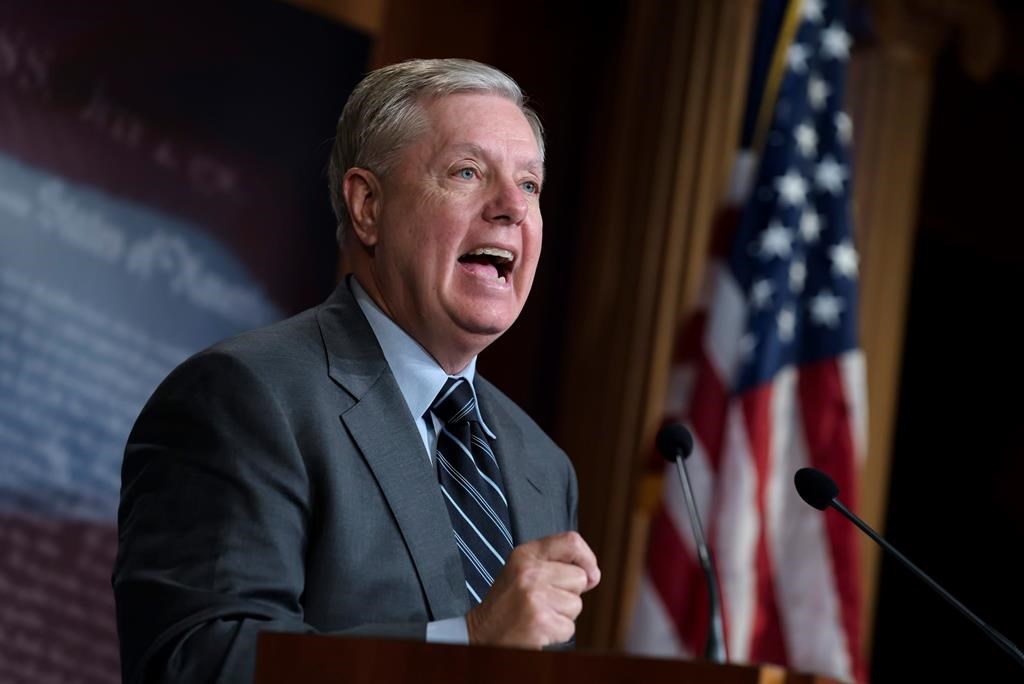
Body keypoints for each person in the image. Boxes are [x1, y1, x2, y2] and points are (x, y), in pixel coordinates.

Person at [112, 58, 601, 683]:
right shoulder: (248, 397)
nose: (510, 207)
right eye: (468, 172)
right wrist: (467, 642)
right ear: (367, 205)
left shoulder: (542, 466)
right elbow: (197, 664)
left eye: (530, 185)